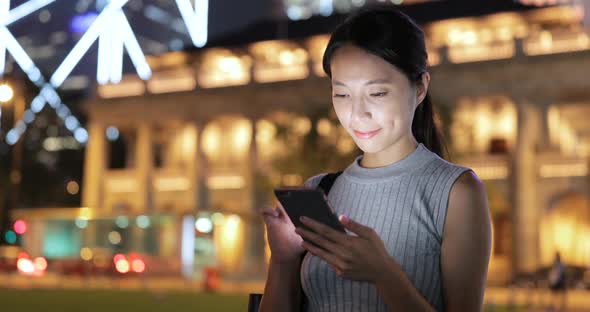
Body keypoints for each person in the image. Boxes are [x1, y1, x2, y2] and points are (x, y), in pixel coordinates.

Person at [259, 5, 492, 312]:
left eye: (377, 93)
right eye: (342, 94)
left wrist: (384, 274)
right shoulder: (321, 190)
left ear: (420, 87)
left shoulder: (456, 192)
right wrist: (283, 259)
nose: (357, 114)